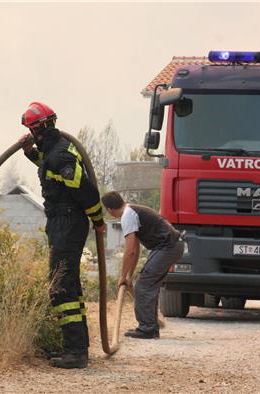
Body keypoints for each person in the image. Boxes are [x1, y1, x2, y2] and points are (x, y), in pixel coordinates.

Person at [18, 102, 105, 369]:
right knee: (69, 285)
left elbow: (84, 190)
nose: (30, 134)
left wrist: (98, 219)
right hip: (61, 223)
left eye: (32, 130)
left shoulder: (61, 157)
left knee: (60, 287)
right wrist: (29, 152)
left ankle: (75, 352)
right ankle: (78, 348)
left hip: (67, 223)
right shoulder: (55, 152)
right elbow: (48, 169)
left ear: (41, 127)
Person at [101, 191, 183, 339]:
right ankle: (151, 326)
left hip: (168, 246)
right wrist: (129, 276)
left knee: (144, 285)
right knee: (148, 284)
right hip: (170, 245)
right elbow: (136, 250)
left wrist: (122, 276)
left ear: (109, 210)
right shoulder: (131, 211)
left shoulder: (127, 216)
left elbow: (130, 250)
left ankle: (147, 328)